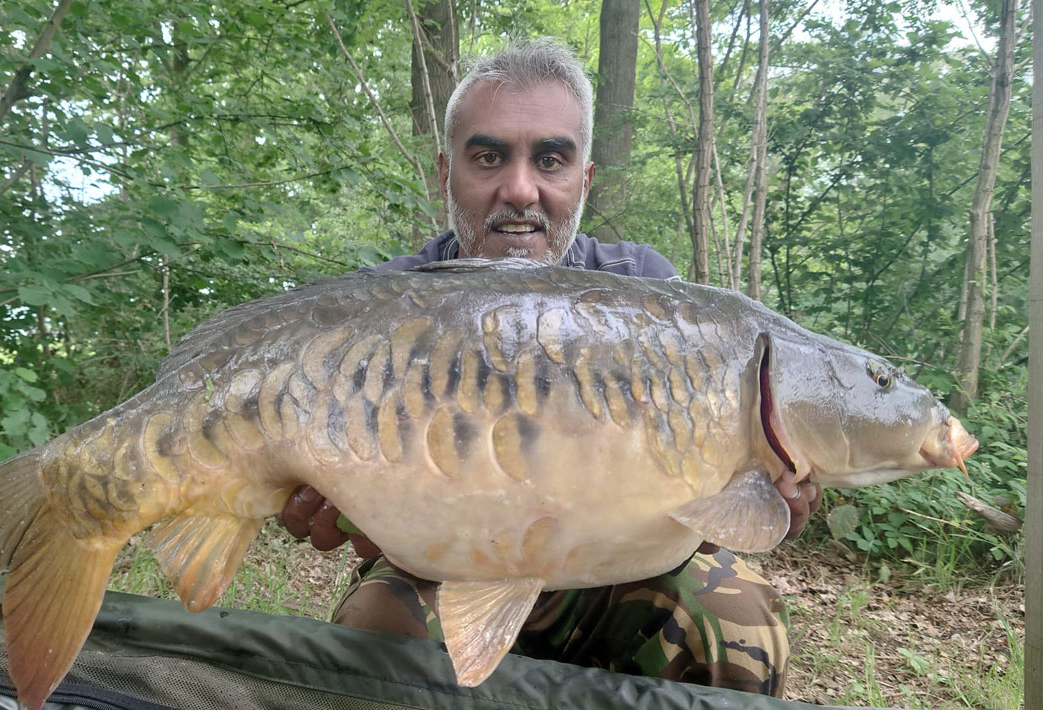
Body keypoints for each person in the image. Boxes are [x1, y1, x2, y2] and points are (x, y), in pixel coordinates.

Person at [280, 38, 820, 697]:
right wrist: (314, 490)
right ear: (447, 172)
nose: (520, 187)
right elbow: (323, 493)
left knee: (735, 620)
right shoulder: (382, 308)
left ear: (584, 178)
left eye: (551, 159)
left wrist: (772, 492)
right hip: (439, 567)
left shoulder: (647, 292)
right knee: (370, 641)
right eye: (489, 156)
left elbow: (719, 501)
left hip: (616, 567)